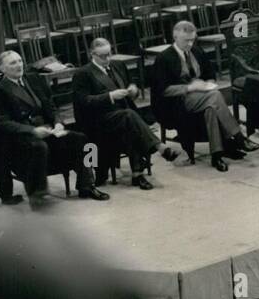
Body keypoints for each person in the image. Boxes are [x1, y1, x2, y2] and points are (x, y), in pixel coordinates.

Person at [0, 50, 110, 208]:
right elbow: (4, 122)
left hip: (48, 130)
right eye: (13, 63)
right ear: (2, 69)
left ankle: (88, 185)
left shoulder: (33, 79)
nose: (19, 65)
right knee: (38, 146)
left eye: (19, 61)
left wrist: (58, 122)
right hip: (22, 137)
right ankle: (37, 194)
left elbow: (51, 107)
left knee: (84, 140)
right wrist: (32, 131)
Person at [72, 37, 179, 190]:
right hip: (99, 121)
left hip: (122, 117)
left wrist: (133, 90)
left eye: (109, 54)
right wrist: (110, 96)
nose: (107, 59)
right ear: (92, 54)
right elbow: (83, 102)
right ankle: (160, 148)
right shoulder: (83, 73)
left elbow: (129, 89)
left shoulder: (118, 65)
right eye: (102, 56)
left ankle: (137, 174)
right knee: (129, 117)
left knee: (129, 124)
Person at [151, 20, 259, 172]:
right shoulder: (164, 58)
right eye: (186, 40)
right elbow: (162, 90)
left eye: (192, 40)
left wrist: (207, 84)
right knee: (215, 96)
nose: (189, 44)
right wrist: (190, 87)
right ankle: (239, 137)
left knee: (211, 108)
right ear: (175, 37)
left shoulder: (197, 51)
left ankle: (217, 156)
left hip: (203, 97)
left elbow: (210, 74)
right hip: (177, 102)